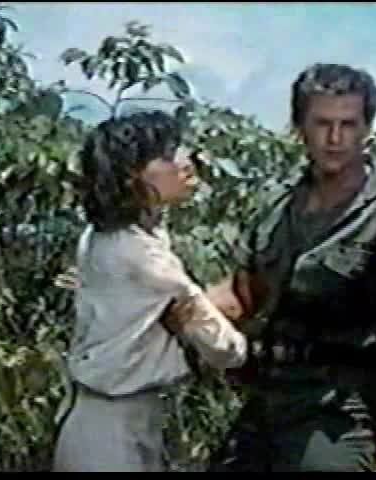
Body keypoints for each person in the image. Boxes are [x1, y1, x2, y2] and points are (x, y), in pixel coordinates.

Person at [204, 63, 376, 472]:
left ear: (367, 128)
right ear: (299, 128)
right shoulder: (277, 206)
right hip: (268, 396)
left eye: (348, 124)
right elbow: (241, 295)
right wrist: (167, 301)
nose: (335, 138)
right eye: (322, 124)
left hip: (340, 408)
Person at [52, 111, 247, 472]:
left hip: (110, 419)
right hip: (110, 436)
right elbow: (226, 350)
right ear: (132, 176)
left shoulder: (105, 236)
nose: (185, 163)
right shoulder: (143, 258)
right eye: (168, 156)